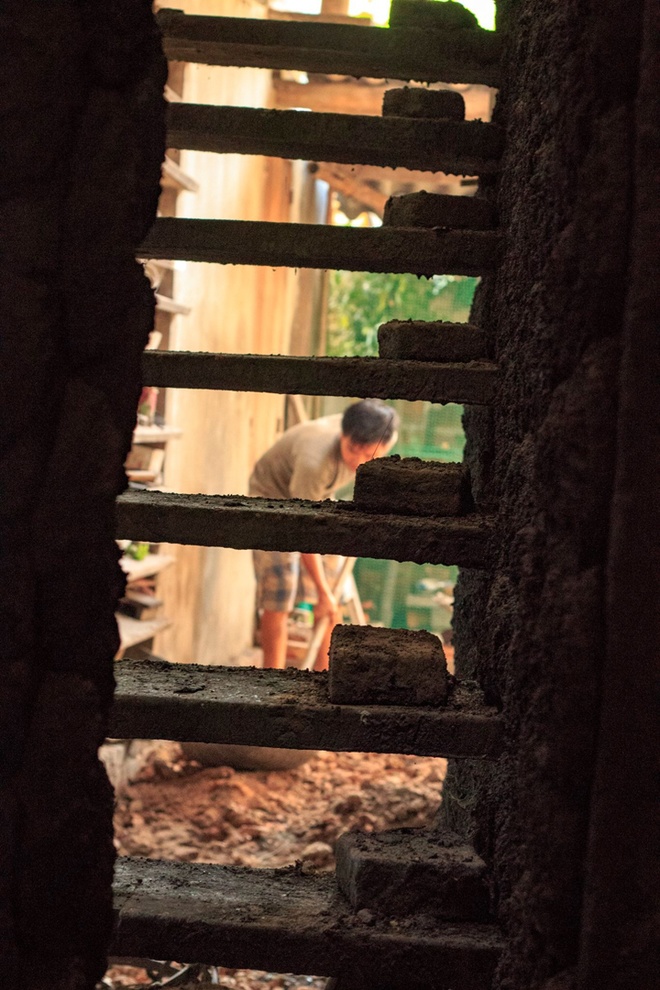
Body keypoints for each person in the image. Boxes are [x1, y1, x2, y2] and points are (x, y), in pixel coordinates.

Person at [249, 399, 399, 671]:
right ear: (343, 435)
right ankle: (271, 677)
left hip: (315, 498)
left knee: (332, 599)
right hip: (271, 500)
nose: (359, 461)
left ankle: (323, 677)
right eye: (353, 450)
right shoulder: (315, 463)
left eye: (369, 455)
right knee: (280, 595)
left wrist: (327, 594)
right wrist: (321, 590)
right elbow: (304, 531)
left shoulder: (384, 436)